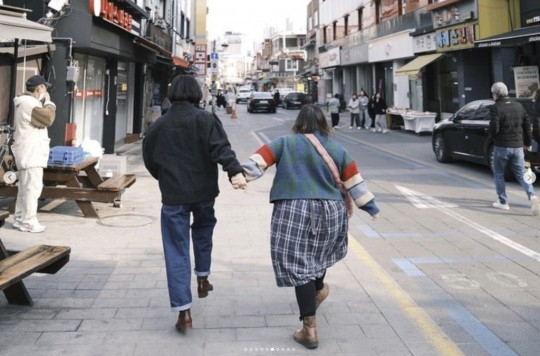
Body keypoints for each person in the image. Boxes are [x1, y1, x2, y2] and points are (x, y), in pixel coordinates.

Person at [234, 104, 380, 349]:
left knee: (300, 265)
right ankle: (319, 290)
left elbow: (258, 160)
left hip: (293, 209)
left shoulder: (284, 143)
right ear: (324, 123)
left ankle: (309, 329)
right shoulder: (337, 148)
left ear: (298, 122)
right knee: (318, 255)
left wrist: (240, 176)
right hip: (331, 210)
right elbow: (354, 181)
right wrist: (371, 207)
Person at [142, 74, 247, 332]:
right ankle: (203, 277)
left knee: (176, 250)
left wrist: (165, 177)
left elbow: (149, 158)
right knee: (203, 232)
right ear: (197, 94)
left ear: (172, 93)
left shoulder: (160, 124)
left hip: (173, 195)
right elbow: (222, 149)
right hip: (204, 193)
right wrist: (234, 171)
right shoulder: (206, 119)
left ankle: (184, 313)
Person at [12, 75, 56, 233]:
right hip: (32, 154)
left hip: (26, 152)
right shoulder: (30, 104)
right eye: (44, 88)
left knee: (24, 189)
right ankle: (29, 221)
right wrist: (49, 103)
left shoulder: (23, 102)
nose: (45, 91)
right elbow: (48, 118)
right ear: (40, 88)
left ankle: (19, 218)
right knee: (32, 188)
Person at [489, 82, 539, 216]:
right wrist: (528, 143)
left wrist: (493, 138)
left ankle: (503, 202)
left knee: (499, 173)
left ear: (495, 94)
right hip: (517, 146)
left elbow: (494, 128)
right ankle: (532, 196)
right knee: (522, 174)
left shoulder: (495, 108)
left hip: (502, 146)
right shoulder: (519, 106)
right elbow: (527, 126)